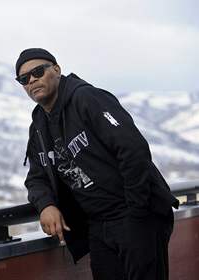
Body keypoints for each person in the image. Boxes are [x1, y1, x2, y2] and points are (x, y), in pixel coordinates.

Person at [16, 48, 179, 280]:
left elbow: (133, 150)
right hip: (98, 225)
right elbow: (36, 177)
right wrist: (46, 205)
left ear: (56, 70)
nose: (32, 80)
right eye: (24, 78)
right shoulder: (39, 127)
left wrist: (136, 212)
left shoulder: (87, 99)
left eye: (38, 72)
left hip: (135, 214)